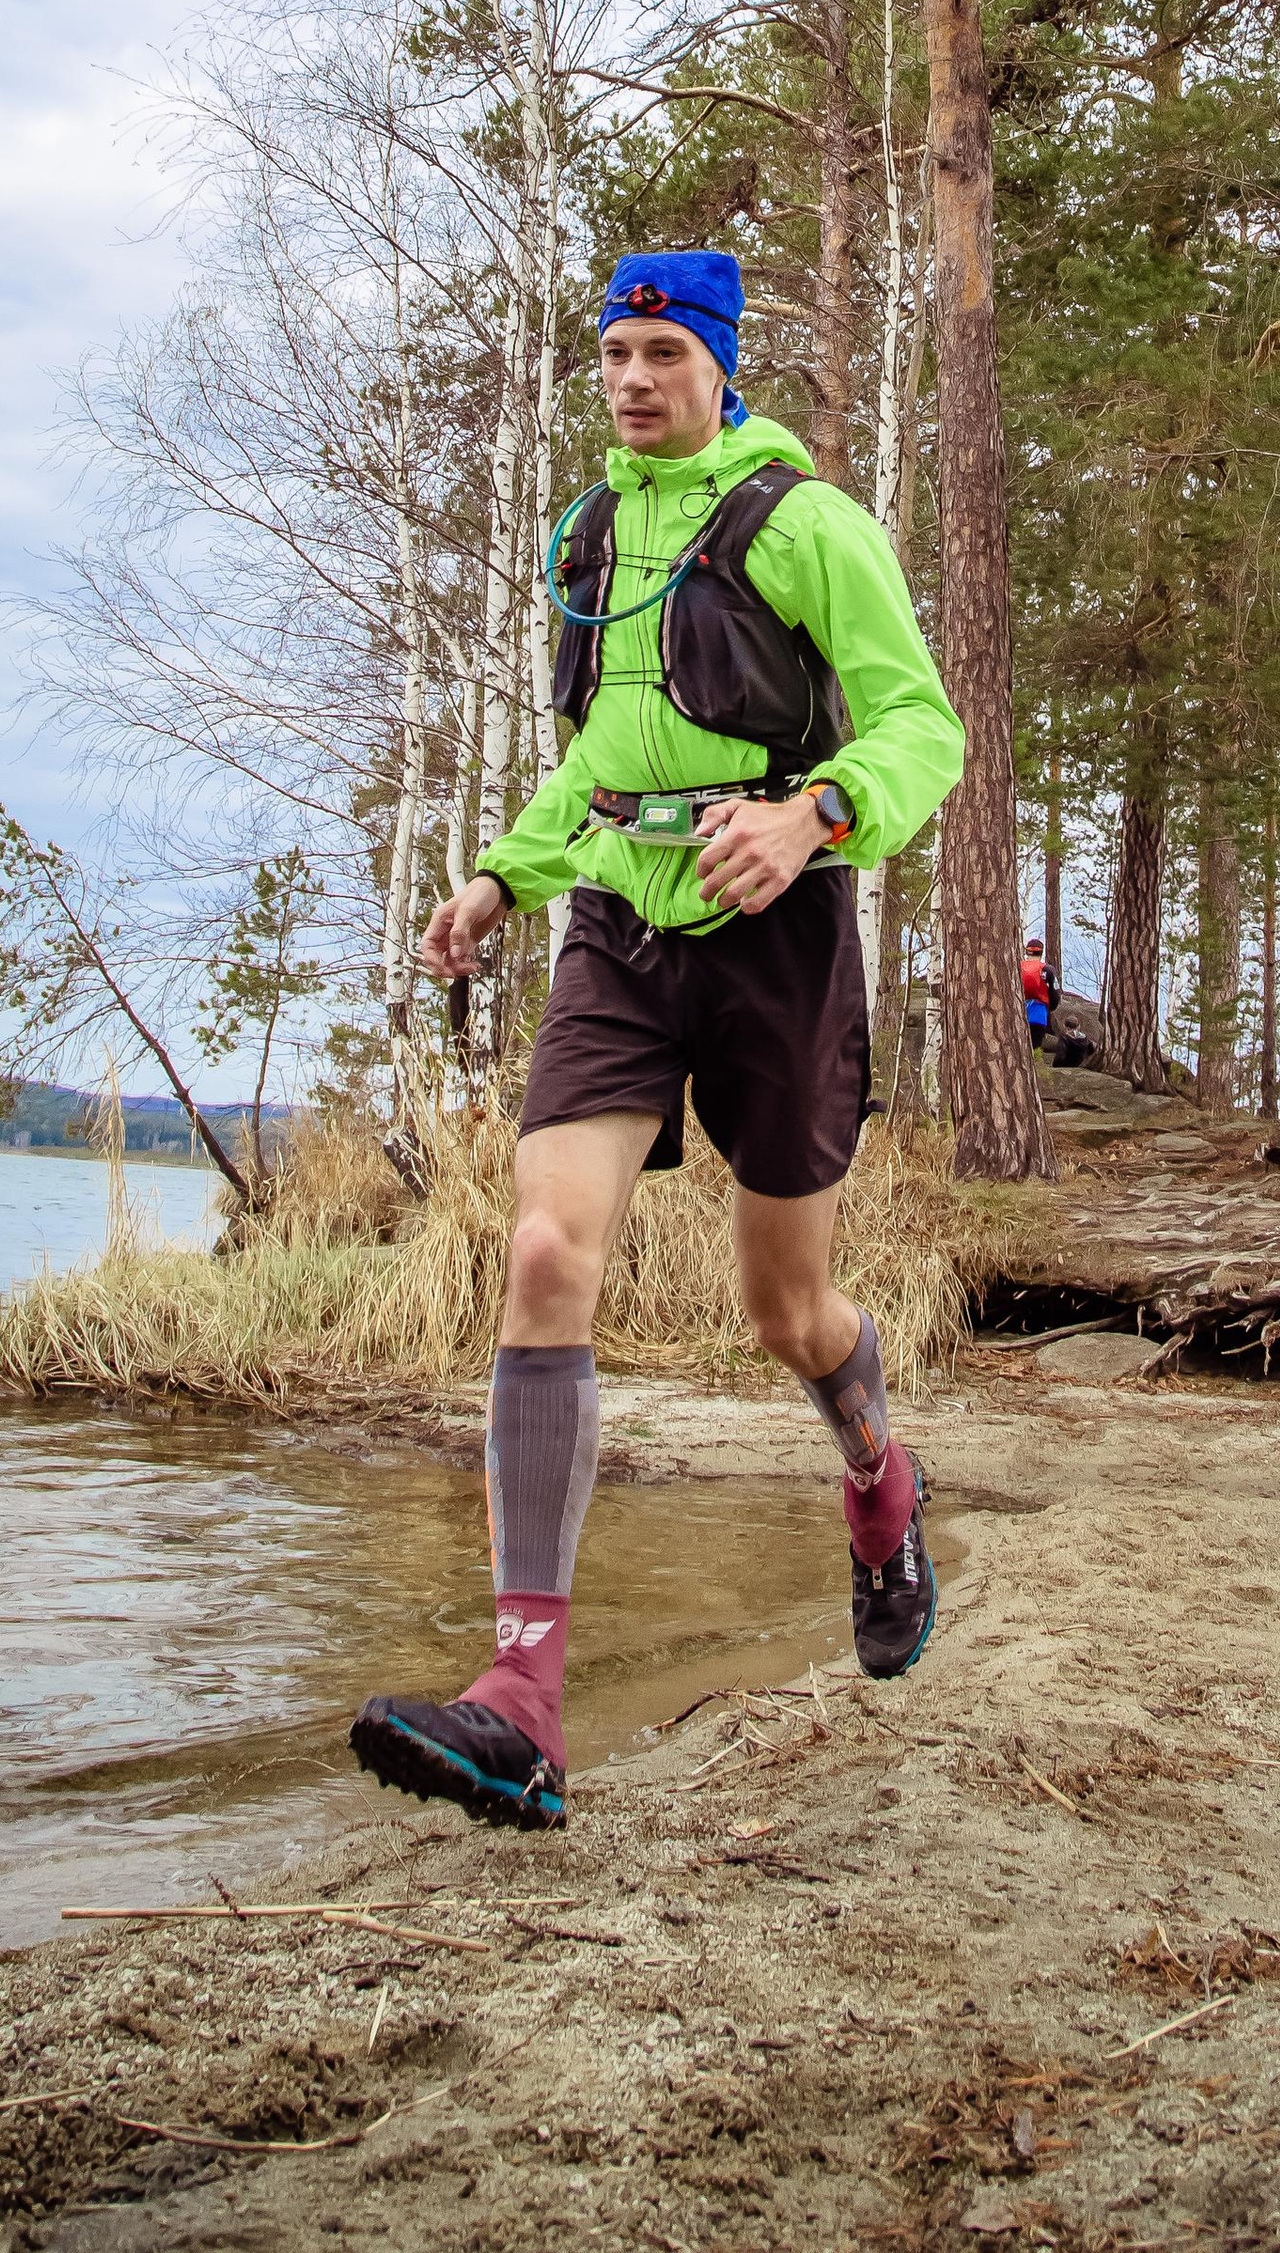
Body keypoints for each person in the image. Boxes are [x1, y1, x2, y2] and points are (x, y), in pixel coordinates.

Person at [350, 248, 965, 1832]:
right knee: (546, 1251)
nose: (631, 380)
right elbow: (602, 766)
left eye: (660, 355)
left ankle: (878, 1487)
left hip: (779, 931)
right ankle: (528, 1704)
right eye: (613, 354)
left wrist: (816, 811)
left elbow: (922, 726)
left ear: (720, 367)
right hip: (619, 929)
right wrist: (502, 876)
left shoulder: (813, 524)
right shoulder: (593, 533)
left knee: (787, 1309)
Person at [1020, 934, 1052, 1046]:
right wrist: (1050, 1007)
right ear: (1041, 953)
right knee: (1034, 1048)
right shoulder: (1047, 969)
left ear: (1027, 952)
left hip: (1019, 1012)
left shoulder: (1017, 967)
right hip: (1039, 1014)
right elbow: (1054, 993)